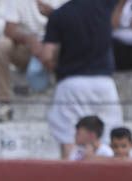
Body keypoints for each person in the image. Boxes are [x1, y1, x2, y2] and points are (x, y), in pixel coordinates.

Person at [41, 0, 126, 160]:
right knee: (108, 142)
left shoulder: (59, 15)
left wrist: (53, 65)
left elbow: (47, 55)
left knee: (69, 141)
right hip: (104, 84)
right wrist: (116, 15)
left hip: (70, 84)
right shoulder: (105, 5)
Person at [0, 0, 57, 123]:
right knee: (2, 46)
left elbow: (71, 24)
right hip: (26, 48)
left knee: (73, 43)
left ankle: (66, 99)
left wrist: (54, 14)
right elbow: (9, 30)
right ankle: (4, 103)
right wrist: (29, 40)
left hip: (54, 46)